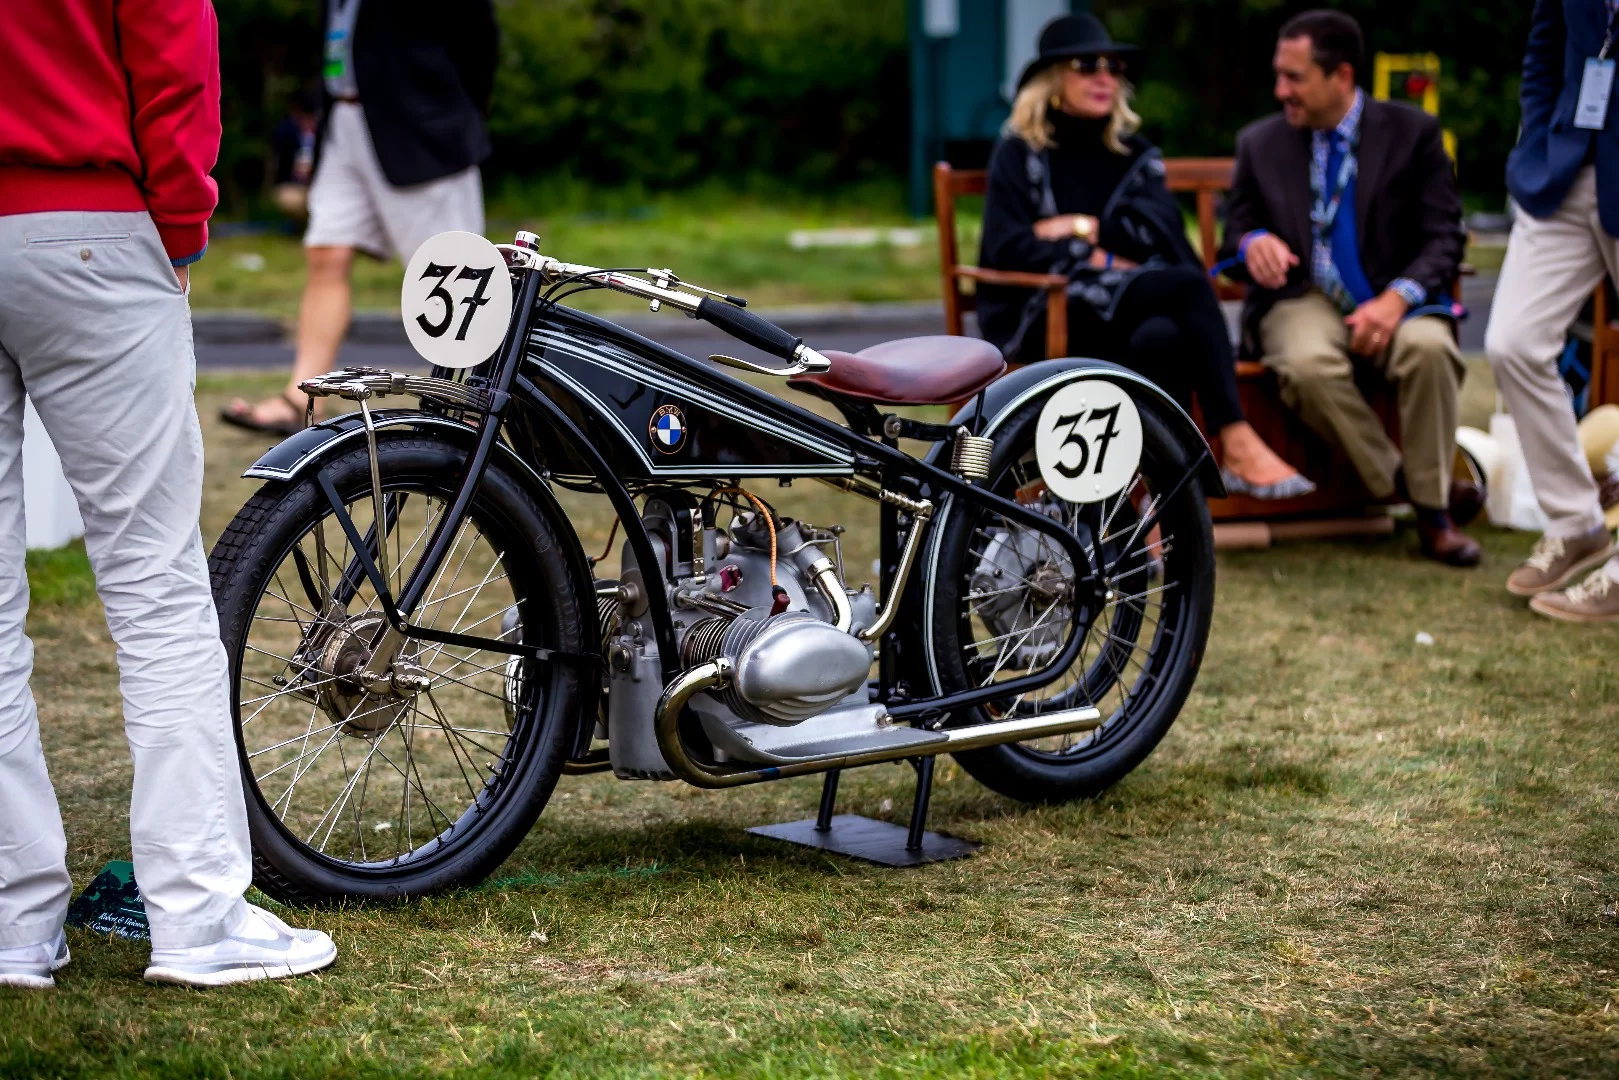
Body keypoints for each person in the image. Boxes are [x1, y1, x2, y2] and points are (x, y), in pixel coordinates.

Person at [0, 0, 335, 988]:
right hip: (89, 228)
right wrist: (179, 228)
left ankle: (12, 924)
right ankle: (197, 914)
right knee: (155, 587)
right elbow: (175, 55)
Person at [978, 14, 1315, 501]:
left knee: (1163, 337)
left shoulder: (1133, 154)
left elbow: (1161, 236)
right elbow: (1009, 248)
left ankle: (1158, 504)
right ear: (1051, 80)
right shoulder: (1020, 154)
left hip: (1127, 313)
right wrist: (1100, 254)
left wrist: (1082, 229)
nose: (1105, 77)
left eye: (1114, 67)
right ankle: (1230, 439)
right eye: (1088, 64)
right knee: (1185, 286)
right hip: (1047, 314)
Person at [1217, 10, 1481, 566]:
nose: (1279, 90)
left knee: (1431, 349)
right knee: (1307, 362)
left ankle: (1430, 516)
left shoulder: (1415, 134)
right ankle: (1423, 500)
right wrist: (1253, 243)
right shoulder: (1259, 143)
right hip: (1300, 297)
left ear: (1341, 76)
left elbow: (1443, 237)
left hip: (1393, 293)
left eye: (1294, 77)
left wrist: (1397, 299)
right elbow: (1234, 232)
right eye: (1278, 75)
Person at [222, 0, 498, 435]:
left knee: (456, 272)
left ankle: (476, 406)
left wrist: (456, 118)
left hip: (420, 127)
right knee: (326, 255)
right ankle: (301, 398)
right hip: (344, 120)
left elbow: (478, 37)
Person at [1485, 0, 1619, 623]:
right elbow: (1546, 48)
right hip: (1564, 168)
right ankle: (1577, 522)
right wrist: (1535, 138)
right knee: (1512, 341)